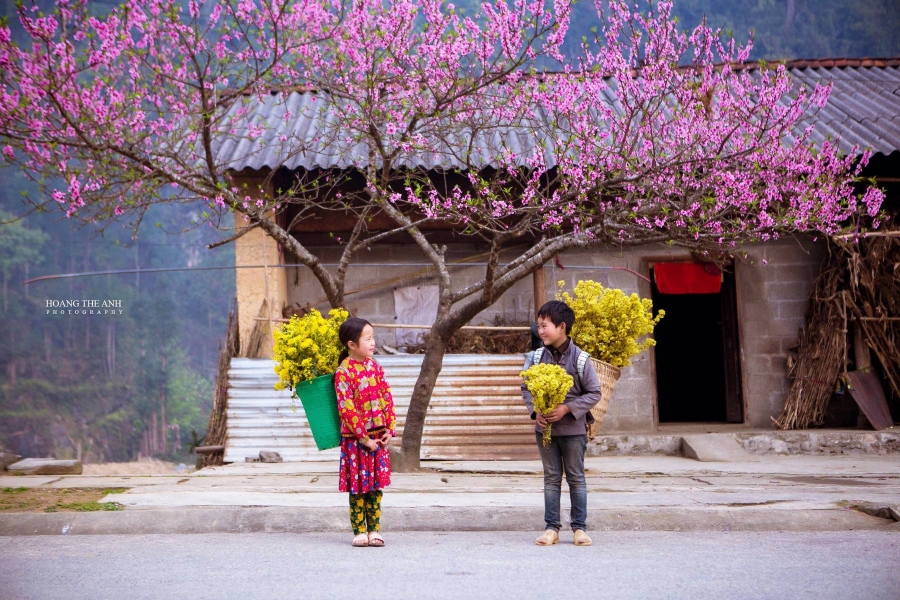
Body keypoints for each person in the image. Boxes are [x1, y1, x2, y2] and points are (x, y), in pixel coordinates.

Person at [521, 300, 602, 547]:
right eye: (539, 326)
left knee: (576, 478)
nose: (540, 331)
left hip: (573, 430)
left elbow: (594, 392)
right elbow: (525, 387)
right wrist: (536, 411)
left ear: (562, 327)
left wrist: (567, 408)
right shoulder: (535, 357)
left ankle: (579, 528)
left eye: (544, 326)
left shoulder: (580, 359)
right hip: (544, 429)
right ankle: (551, 528)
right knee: (551, 477)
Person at [334, 317, 397, 547]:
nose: (372, 343)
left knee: (375, 486)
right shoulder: (343, 372)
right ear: (351, 344)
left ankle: (375, 530)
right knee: (358, 487)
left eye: (373, 338)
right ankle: (359, 531)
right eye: (367, 338)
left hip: (378, 438)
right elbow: (346, 408)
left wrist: (390, 428)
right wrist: (363, 437)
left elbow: (386, 397)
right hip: (356, 442)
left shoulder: (375, 367)